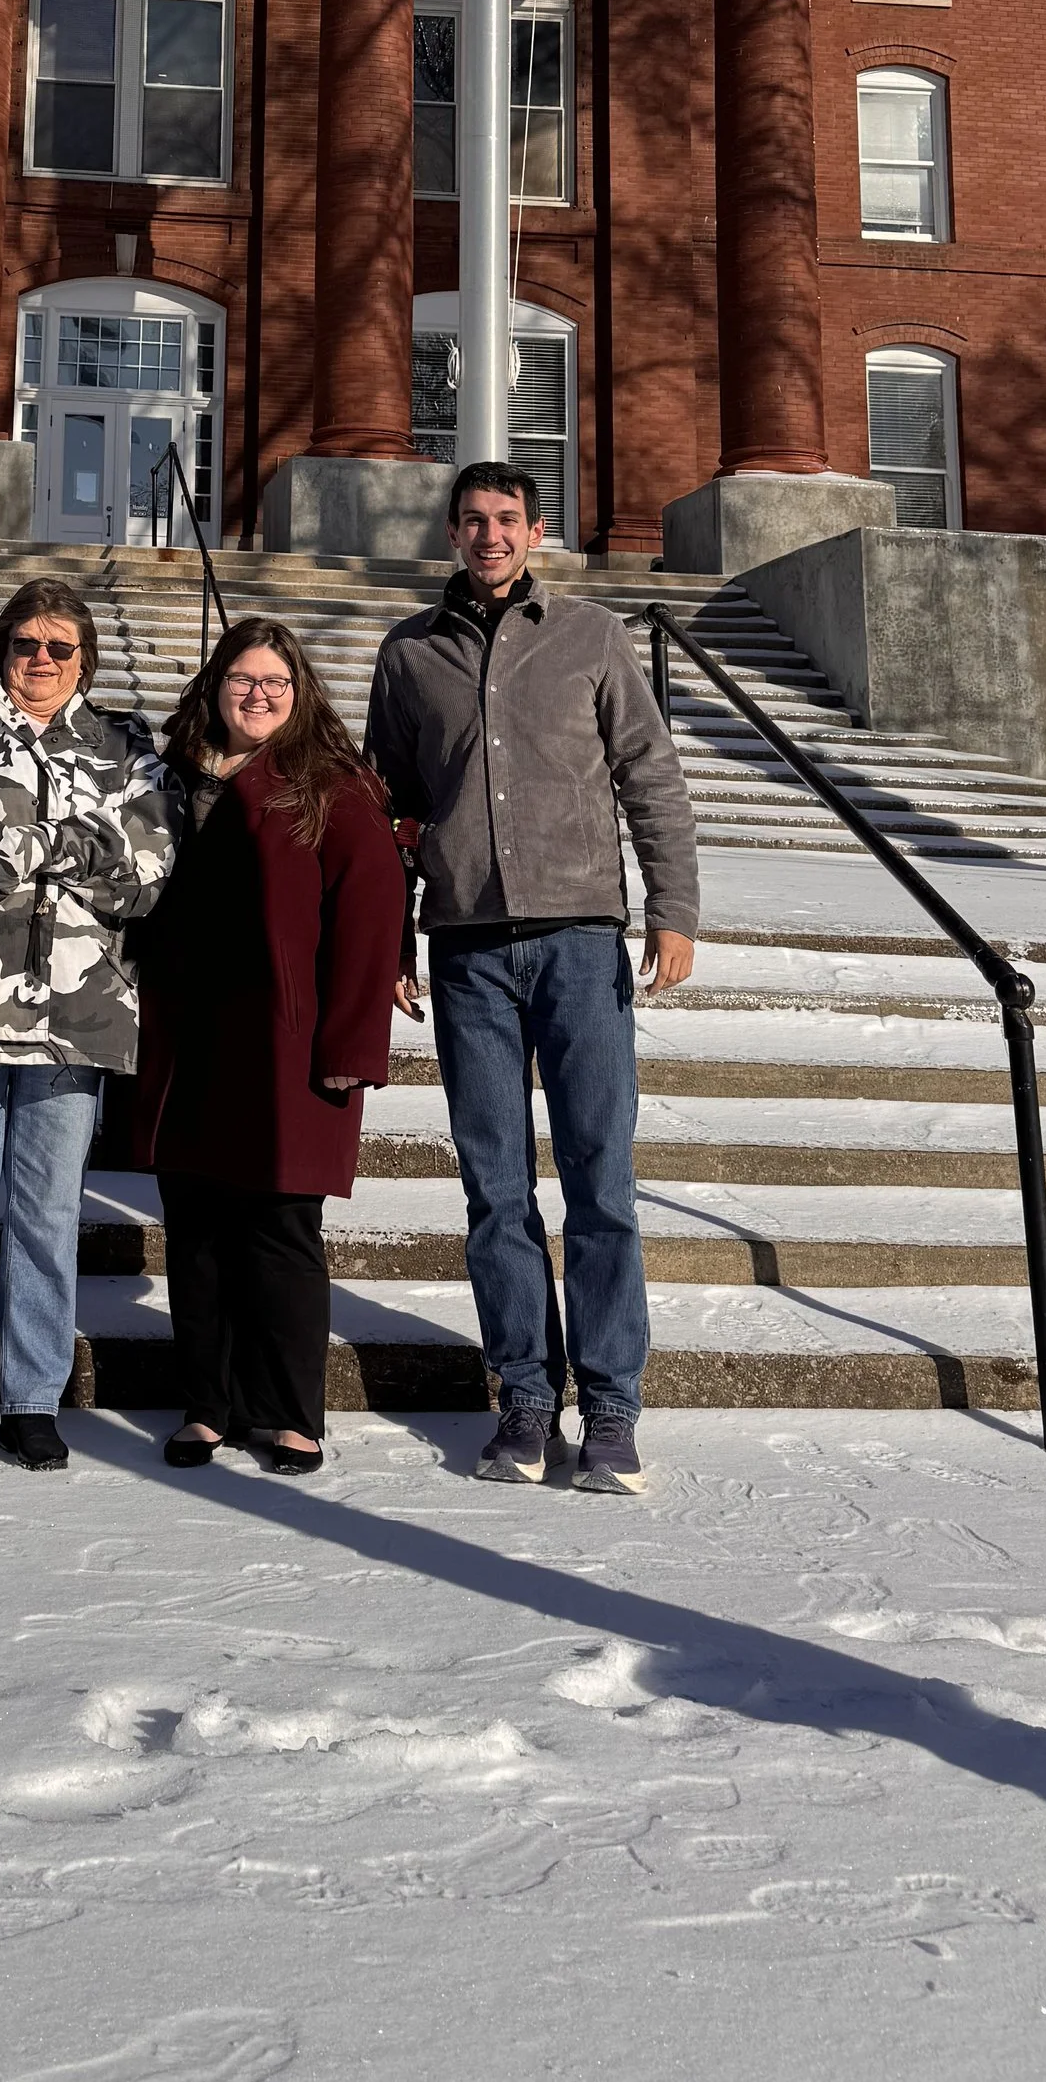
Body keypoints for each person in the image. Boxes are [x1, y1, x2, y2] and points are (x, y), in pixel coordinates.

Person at [365, 459, 699, 1498]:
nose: (489, 535)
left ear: (535, 531)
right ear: (452, 535)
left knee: (600, 1181)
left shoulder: (593, 636)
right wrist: (391, 939)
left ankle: (608, 1408)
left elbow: (650, 773)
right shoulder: (410, 652)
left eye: (506, 519)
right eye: (472, 521)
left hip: (579, 940)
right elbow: (387, 811)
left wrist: (672, 910)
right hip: (467, 949)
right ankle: (521, 1397)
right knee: (494, 1190)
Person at [0, 575, 175, 1475]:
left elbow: (149, 870)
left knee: (47, 1215)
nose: (39, 662)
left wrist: (30, 850)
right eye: (25, 645)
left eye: (59, 648)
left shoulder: (124, 743)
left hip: (76, 1012)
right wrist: (55, 852)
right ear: (1, 649)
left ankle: (33, 1397)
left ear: (84, 660)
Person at [131, 617, 405, 1476]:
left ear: (300, 694)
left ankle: (289, 1413)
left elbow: (371, 916)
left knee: (281, 1229)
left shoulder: (333, 783)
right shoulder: (168, 775)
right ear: (215, 687)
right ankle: (208, 1406)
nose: (258, 696)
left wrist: (352, 1046)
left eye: (275, 684)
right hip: (188, 1038)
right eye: (243, 680)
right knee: (198, 1229)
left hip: (287, 1045)